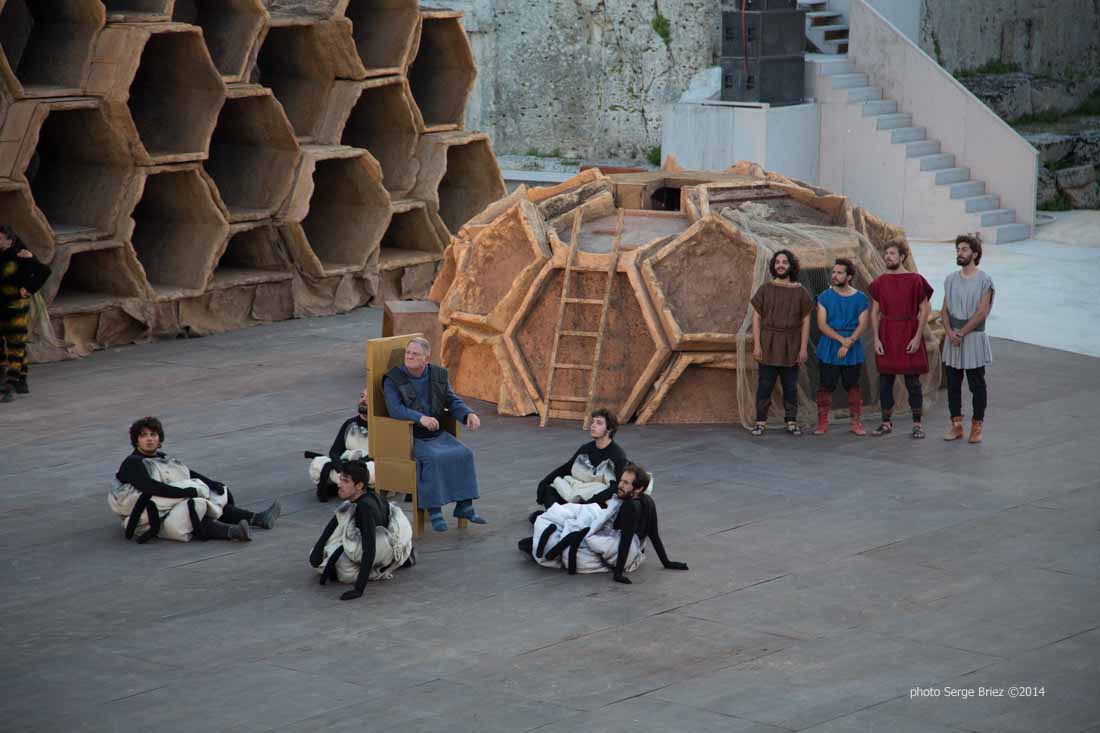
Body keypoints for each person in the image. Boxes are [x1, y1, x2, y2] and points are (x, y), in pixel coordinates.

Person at [109, 417, 281, 543]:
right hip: (149, 514)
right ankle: (233, 532)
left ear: (159, 439)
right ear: (136, 440)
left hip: (167, 502)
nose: (149, 439)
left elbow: (187, 474)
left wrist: (211, 484)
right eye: (143, 435)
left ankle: (257, 519)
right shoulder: (132, 464)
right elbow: (148, 487)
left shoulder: (162, 458)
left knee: (213, 495)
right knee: (194, 506)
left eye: (153, 434)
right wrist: (184, 493)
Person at [520, 463, 688, 583]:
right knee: (576, 515)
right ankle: (543, 529)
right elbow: (654, 534)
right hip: (607, 528)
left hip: (610, 538)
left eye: (626, 483)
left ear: (638, 489)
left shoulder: (631, 506)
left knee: (559, 537)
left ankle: (538, 542)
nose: (620, 485)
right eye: (621, 481)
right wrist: (666, 562)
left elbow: (626, 540)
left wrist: (618, 572)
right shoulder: (648, 501)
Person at [382, 336, 484, 532]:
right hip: (409, 435)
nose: (409, 357)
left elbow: (452, 400)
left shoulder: (438, 375)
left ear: (426, 359)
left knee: (465, 453)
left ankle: (464, 505)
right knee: (433, 458)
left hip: (436, 433)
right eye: (408, 353)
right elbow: (395, 410)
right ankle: (433, 508)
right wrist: (420, 418)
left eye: (415, 354)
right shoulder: (393, 379)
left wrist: (468, 413)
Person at [309, 458, 415, 601]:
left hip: (381, 545)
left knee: (340, 568)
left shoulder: (365, 508)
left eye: (345, 481)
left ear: (359, 485)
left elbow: (369, 549)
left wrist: (358, 589)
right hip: (372, 539)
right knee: (320, 553)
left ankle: (389, 564)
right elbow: (337, 518)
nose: (339, 485)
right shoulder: (361, 498)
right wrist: (318, 547)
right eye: (340, 480)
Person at [868, 239, 933, 439]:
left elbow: (924, 309)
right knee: (885, 381)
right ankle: (886, 423)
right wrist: (877, 339)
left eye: (892, 253)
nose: (888, 256)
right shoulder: (880, 282)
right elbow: (875, 313)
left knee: (912, 381)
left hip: (908, 331)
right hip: (887, 333)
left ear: (902, 257)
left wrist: (916, 337)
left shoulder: (915, 279)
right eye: (886, 253)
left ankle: (917, 424)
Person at [750, 249, 814, 436]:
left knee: (790, 386)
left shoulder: (801, 291)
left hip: (791, 344)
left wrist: (803, 348)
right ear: (773, 265)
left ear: (791, 266)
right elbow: (756, 319)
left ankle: (791, 421)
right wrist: (757, 345)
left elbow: (806, 321)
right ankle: (760, 422)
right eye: (777, 262)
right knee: (765, 385)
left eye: (784, 262)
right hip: (768, 342)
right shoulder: (765, 289)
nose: (780, 265)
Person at [941, 234, 994, 444]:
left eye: (964, 249)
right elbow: (944, 309)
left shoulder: (985, 281)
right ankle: (956, 426)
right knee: (953, 384)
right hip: (953, 337)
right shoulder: (951, 280)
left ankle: (977, 427)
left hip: (972, 338)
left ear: (975, 253)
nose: (959, 253)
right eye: (958, 249)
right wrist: (949, 332)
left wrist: (961, 333)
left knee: (976, 384)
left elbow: (981, 312)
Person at [533, 407, 628, 515]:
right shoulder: (586, 449)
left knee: (598, 506)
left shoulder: (618, 455)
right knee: (549, 489)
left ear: (609, 429)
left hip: (595, 499)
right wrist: (544, 482)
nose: (593, 425)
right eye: (593, 422)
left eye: (599, 423)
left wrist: (590, 502)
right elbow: (567, 468)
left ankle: (556, 515)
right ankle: (560, 515)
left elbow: (618, 486)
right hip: (577, 492)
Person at [813, 258, 870, 436]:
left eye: (839, 273)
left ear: (849, 276)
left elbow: (863, 324)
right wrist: (841, 340)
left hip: (852, 346)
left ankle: (855, 422)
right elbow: (822, 325)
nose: (835, 276)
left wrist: (849, 341)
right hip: (830, 345)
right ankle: (822, 422)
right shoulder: (824, 296)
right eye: (834, 272)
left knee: (852, 385)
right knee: (826, 384)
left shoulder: (861, 298)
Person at [1, 226, 50, 402]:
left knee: (16, 346)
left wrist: (28, 289)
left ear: (9, 239)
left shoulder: (20, 254)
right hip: (2, 307)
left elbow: (44, 271)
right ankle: (21, 379)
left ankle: (11, 384)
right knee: (7, 345)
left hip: (16, 308)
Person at [308, 388, 373, 502]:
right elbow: (334, 451)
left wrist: (356, 467)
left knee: (374, 469)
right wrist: (342, 468)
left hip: (365, 468)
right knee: (317, 464)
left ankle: (347, 483)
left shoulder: (383, 426)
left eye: (368, 398)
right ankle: (348, 483)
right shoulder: (349, 423)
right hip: (345, 468)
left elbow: (380, 455)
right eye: (362, 396)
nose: (363, 400)